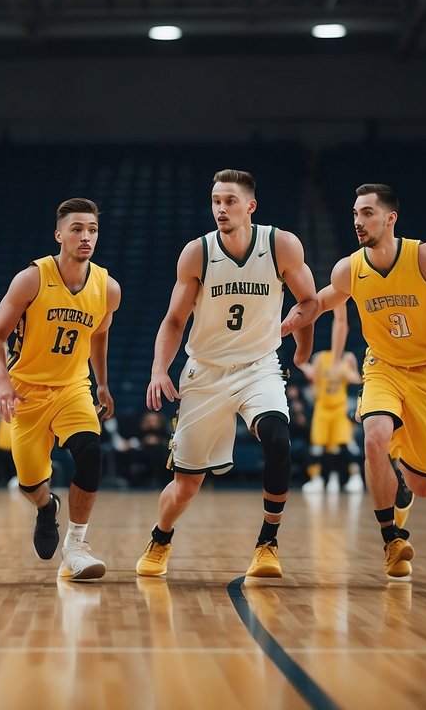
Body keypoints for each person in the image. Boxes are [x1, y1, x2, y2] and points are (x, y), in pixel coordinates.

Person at [135, 169, 318, 580]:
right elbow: (173, 319)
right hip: (206, 372)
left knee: (278, 438)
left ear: (250, 206)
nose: (221, 208)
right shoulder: (197, 253)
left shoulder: (281, 245)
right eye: (216, 201)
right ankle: (160, 537)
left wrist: (298, 339)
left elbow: (309, 301)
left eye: (230, 201)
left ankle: (267, 543)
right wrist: (158, 370)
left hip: (260, 367)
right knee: (186, 485)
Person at [310, 184, 426, 581]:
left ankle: (403, 492)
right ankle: (391, 538)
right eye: (355, 213)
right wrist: (289, 321)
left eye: (368, 213)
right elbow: (321, 301)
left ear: (391, 218)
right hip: (382, 366)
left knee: (423, 488)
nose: (358, 221)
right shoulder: (349, 268)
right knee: (373, 438)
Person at [0, 198, 122, 580]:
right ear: (59, 234)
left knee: (91, 452)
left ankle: (76, 546)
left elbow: (100, 336)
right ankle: (47, 508)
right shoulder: (32, 278)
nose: (86, 236)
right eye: (77, 228)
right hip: (26, 392)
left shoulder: (108, 288)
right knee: (30, 483)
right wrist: (2, 383)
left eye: (92, 229)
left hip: (72, 389)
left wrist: (103, 385)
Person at [301, 303, 363, 494]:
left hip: (340, 408)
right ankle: (317, 480)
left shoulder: (348, 358)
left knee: (344, 445)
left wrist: (345, 373)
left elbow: (358, 378)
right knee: (318, 447)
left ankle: (353, 478)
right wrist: (303, 366)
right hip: (322, 407)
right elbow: (313, 379)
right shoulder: (320, 358)